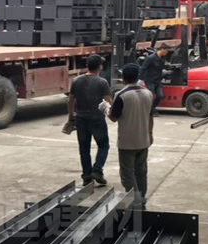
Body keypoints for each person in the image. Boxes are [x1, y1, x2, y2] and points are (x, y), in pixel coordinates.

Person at [108, 63, 154, 207]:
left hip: (127, 142)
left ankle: (135, 202)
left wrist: (105, 108)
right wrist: (150, 134)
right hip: (143, 139)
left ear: (123, 78)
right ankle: (142, 198)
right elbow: (150, 116)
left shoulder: (121, 95)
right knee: (141, 172)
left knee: (127, 175)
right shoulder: (148, 93)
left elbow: (113, 117)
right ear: (137, 77)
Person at [68, 54, 111, 186]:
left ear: (87, 66)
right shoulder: (102, 82)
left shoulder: (76, 80)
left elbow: (71, 100)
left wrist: (71, 116)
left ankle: (87, 176)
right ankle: (97, 170)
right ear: (100, 67)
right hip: (97, 118)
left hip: (81, 118)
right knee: (103, 145)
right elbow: (108, 101)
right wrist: (110, 113)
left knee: (84, 148)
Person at [140, 43, 171, 116]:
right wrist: (140, 79)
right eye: (166, 51)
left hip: (157, 81)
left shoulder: (163, 58)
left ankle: (152, 108)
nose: (167, 52)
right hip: (149, 80)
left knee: (160, 96)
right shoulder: (150, 58)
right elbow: (143, 68)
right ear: (162, 49)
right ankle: (150, 111)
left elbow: (162, 68)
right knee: (151, 96)